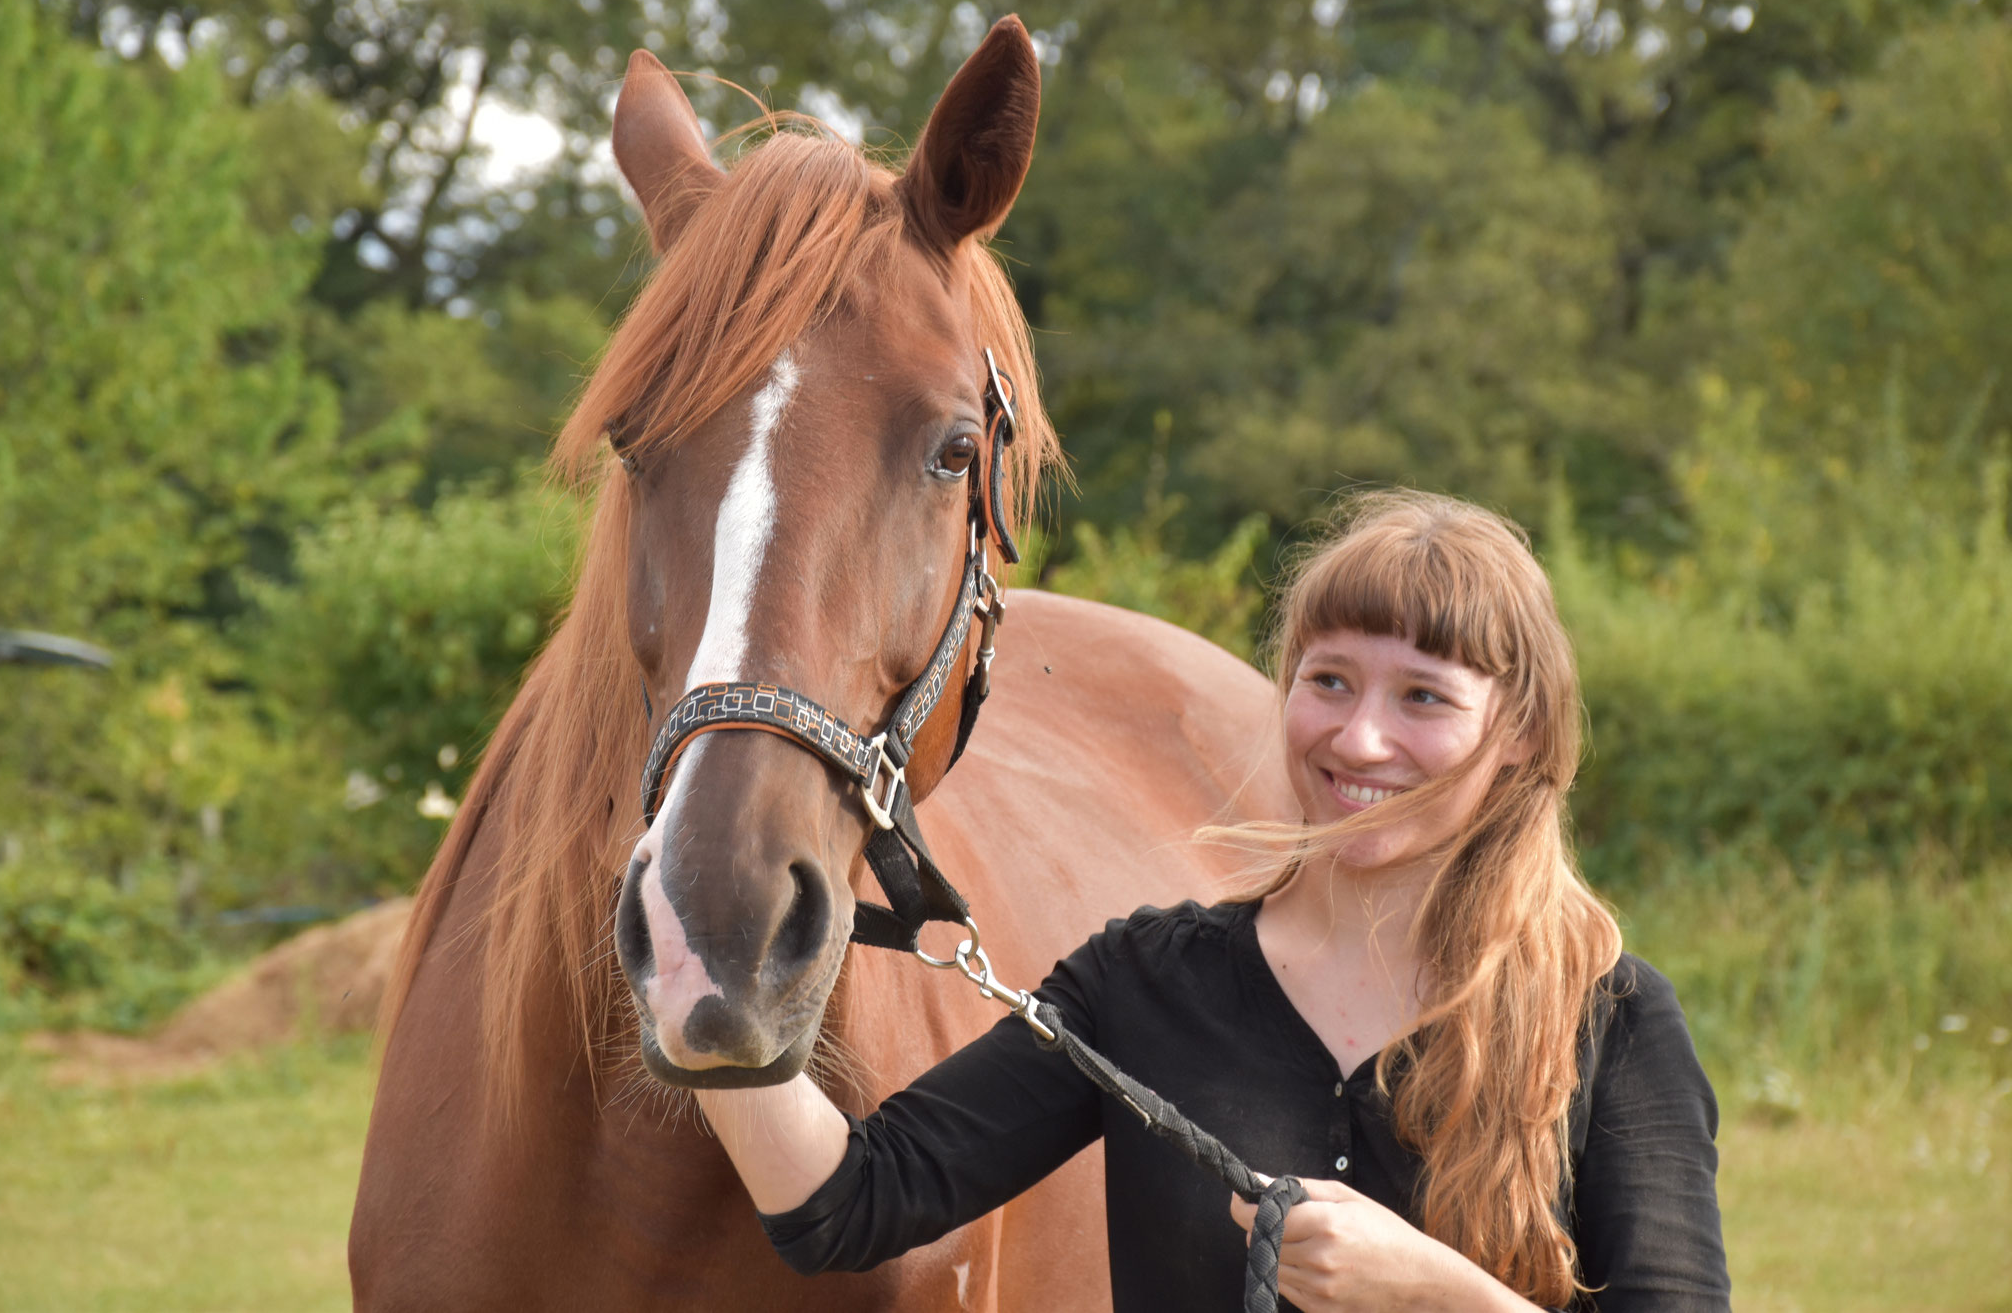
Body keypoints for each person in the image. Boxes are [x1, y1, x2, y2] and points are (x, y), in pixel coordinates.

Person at [694, 490, 1731, 1312]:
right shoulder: (1147, 984)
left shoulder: (1613, 1025)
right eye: (1327, 681)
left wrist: (1437, 1296)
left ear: (1518, 741)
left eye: (1421, 696)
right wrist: (693, 975)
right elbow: (851, 1202)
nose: (1358, 738)